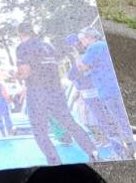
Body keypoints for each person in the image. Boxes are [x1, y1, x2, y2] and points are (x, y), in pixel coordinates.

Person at [14, 23, 100, 166]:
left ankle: (55, 163)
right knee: (70, 123)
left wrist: (15, 75)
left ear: (20, 34)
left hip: (37, 92)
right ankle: (93, 151)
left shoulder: (23, 47)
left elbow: (25, 72)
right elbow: (54, 70)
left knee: (40, 131)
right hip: (56, 91)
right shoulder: (48, 47)